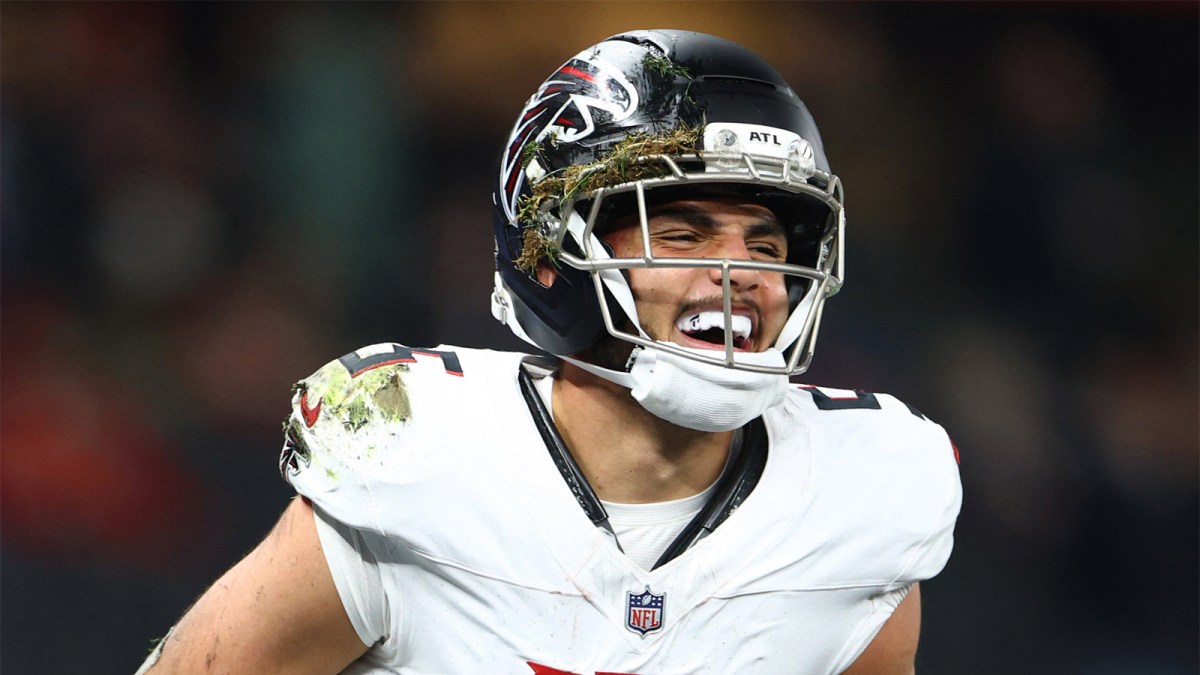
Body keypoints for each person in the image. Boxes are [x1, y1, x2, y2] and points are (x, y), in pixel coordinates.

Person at [138, 29, 961, 674]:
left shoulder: (864, 495)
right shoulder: (416, 456)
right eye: (682, 234)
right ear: (553, 254)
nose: (740, 273)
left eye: (767, 243)